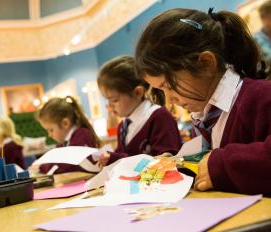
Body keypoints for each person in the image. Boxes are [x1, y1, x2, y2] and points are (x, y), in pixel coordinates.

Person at [135, 8, 271, 196]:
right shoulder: (205, 115)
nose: (169, 100)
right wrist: (178, 164)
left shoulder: (261, 97)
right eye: (160, 90)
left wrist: (221, 165)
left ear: (206, 63)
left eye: (169, 85)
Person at [97, 56, 182, 167]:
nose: (109, 105)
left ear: (138, 92)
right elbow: (122, 156)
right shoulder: (122, 126)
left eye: (114, 100)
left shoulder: (159, 117)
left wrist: (116, 159)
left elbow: (168, 160)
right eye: (107, 100)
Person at [29, 96, 100, 174]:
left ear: (65, 123)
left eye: (51, 130)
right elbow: (55, 158)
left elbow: (67, 165)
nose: (49, 135)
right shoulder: (64, 142)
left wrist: (41, 167)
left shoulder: (82, 135)